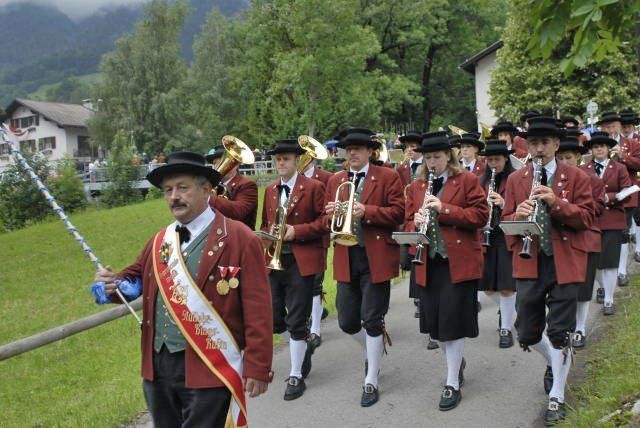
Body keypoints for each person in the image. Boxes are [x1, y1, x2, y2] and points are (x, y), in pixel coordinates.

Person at [91, 152, 273, 427]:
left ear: (206, 190)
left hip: (210, 364)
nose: (174, 196)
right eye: (168, 190)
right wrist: (108, 283)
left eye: (182, 188)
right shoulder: (158, 242)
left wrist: (258, 366)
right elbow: (131, 281)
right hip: (159, 368)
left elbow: (258, 309)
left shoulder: (239, 238)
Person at [502, 116, 594, 425]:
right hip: (530, 261)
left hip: (565, 261)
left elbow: (586, 218)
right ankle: (555, 362)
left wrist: (556, 203)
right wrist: (518, 215)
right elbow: (505, 224)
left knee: (559, 332)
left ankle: (557, 395)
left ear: (556, 144)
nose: (539, 149)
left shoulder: (576, 176)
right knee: (526, 332)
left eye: (544, 143)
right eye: (533, 143)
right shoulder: (516, 179)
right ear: (527, 146)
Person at [405, 131, 488, 411]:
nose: (432, 162)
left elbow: (480, 216)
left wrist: (445, 209)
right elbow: (406, 224)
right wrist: (415, 223)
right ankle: (456, 362)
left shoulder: (467, 180)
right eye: (427, 157)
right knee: (436, 327)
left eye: (437, 157)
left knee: (452, 323)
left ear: (448, 157)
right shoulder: (417, 186)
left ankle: (452, 382)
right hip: (428, 262)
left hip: (458, 261)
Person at [323, 127, 404, 407]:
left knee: (372, 318)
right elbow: (326, 221)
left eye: (357, 148)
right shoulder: (336, 180)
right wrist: (331, 215)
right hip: (347, 255)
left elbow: (399, 212)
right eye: (349, 149)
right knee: (346, 321)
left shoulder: (388, 176)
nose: (352, 153)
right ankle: (374, 349)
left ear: (370, 151)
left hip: (376, 255)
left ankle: (371, 378)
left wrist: (367, 211)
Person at [260, 139, 327, 400]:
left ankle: (296, 374)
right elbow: (265, 223)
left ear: (297, 160)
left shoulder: (313, 187)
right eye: (277, 159)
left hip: (301, 260)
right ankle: (303, 345)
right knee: (274, 318)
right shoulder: (270, 190)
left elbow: (324, 222)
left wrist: (296, 231)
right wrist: (267, 236)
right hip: (275, 261)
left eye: (286, 158)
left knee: (297, 318)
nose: (281, 163)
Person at [556, 135, 604, 347]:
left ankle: (580, 328)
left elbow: (597, 208)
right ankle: (563, 327)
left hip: (585, 237)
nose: (564, 162)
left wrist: (567, 207)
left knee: (583, 289)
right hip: (559, 239)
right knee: (562, 288)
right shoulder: (552, 179)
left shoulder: (591, 179)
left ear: (578, 157)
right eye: (560, 158)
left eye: (568, 157)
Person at [581, 132, 632, 316]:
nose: (599, 149)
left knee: (610, 262)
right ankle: (601, 287)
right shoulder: (584, 168)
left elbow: (628, 191)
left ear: (608, 148)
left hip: (613, 219)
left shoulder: (619, 168)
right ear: (591, 150)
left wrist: (608, 197)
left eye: (602, 146)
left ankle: (609, 299)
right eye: (596, 146)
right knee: (594, 263)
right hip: (591, 220)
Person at [478, 139, 517, 348]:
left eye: (497, 160)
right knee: (488, 288)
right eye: (490, 160)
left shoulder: (515, 178)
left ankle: (506, 328)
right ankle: (508, 309)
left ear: (506, 159)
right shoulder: (481, 181)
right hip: (487, 235)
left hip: (506, 235)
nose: (493, 163)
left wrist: (503, 203)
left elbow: (522, 206)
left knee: (506, 286)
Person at [598, 112, 640, 287]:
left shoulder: (631, 144)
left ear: (620, 126)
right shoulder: (597, 144)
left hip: (625, 197)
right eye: (606, 127)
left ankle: (621, 271)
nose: (610, 130)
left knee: (622, 234)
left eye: (613, 126)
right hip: (601, 199)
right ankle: (604, 278)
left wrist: (623, 157)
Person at [299, 153, 333, 352]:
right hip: (295, 240)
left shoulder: (326, 177)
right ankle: (313, 315)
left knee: (315, 284)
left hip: (318, 238)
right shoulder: (291, 179)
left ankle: (315, 330)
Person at [395, 131, 427, 322]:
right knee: (410, 257)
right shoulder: (401, 169)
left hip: (425, 211)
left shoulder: (427, 166)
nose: (410, 150)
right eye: (407, 147)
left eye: (414, 147)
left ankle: (421, 299)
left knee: (420, 255)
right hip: (409, 215)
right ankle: (418, 296)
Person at [205, 145, 259, 230]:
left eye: (222, 163)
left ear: (235, 165)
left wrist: (208, 198)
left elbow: (239, 211)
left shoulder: (247, 185)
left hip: (240, 236)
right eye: (215, 164)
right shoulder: (214, 186)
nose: (217, 167)